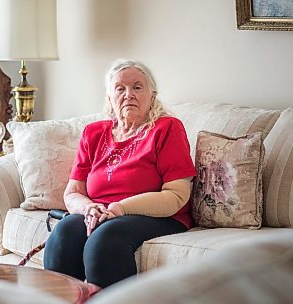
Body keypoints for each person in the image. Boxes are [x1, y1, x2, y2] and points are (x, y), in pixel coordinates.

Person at [43, 59, 197, 288]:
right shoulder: (93, 133)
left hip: (157, 216)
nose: (129, 94)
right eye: (120, 88)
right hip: (103, 213)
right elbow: (73, 191)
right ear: (109, 99)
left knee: (106, 238)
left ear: (152, 96)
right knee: (65, 231)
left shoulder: (167, 128)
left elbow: (177, 195)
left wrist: (120, 208)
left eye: (137, 87)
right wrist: (89, 208)